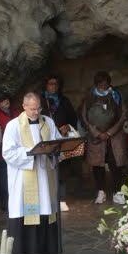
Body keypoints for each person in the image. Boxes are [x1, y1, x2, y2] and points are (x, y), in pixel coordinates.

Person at [2, 92, 62, 254]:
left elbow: (58, 145)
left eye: (39, 108)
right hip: (23, 182)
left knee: (46, 214)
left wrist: (54, 151)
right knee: (26, 217)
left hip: (46, 177)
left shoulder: (48, 122)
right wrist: (33, 152)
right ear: (24, 106)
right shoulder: (13, 125)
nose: (37, 112)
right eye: (33, 109)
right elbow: (7, 153)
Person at [80, 71, 128, 205]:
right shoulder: (89, 96)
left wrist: (109, 133)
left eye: (106, 84)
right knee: (97, 164)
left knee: (116, 164)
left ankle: (118, 192)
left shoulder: (116, 95)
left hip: (114, 137)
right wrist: (96, 133)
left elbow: (123, 114)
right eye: (101, 84)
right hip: (96, 137)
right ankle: (101, 192)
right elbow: (84, 116)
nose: (104, 86)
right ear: (96, 84)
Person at [40, 74, 77, 212]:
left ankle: (61, 198)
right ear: (46, 85)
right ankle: (47, 197)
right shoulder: (40, 100)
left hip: (61, 138)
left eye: (56, 84)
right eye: (51, 83)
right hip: (44, 139)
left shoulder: (64, 100)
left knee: (62, 169)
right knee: (45, 168)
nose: (53, 86)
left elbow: (73, 118)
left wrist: (67, 125)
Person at [0, 91, 20, 212]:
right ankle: (5, 201)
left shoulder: (15, 112)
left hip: (18, 148)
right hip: (4, 150)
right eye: (3, 100)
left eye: (7, 99)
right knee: (4, 177)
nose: (6, 102)